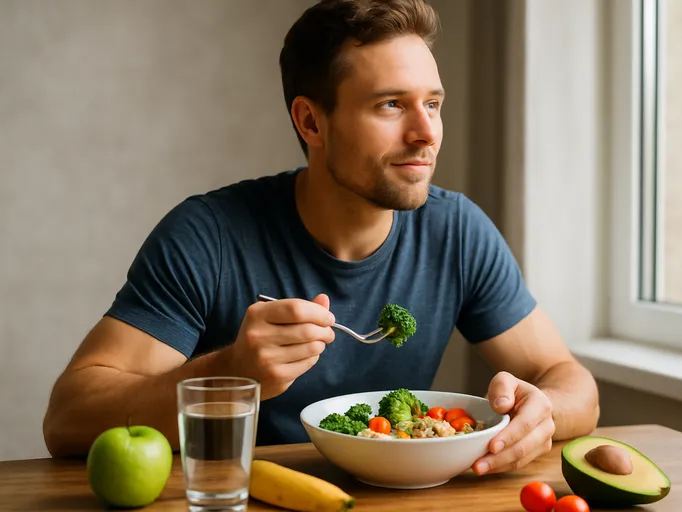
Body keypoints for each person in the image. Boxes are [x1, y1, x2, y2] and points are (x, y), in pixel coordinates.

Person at [43, 0, 599, 476]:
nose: (427, 132)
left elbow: (571, 382)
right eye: (391, 104)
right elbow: (68, 419)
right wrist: (230, 372)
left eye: (433, 103)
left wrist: (542, 409)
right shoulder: (207, 235)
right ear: (311, 123)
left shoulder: (457, 231)